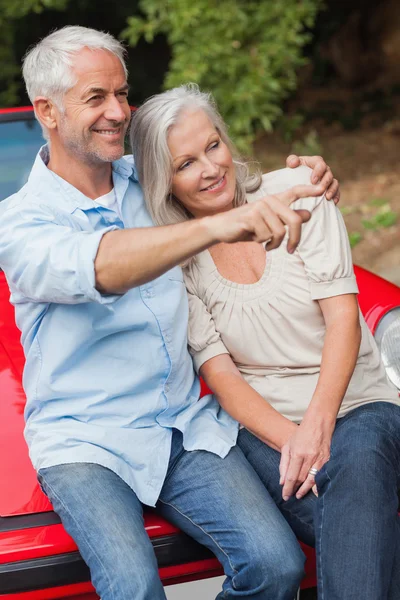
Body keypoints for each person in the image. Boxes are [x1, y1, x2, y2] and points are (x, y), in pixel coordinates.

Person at [0, 26, 342, 600]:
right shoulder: (20, 221)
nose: (119, 112)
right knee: (133, 585)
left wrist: (307, 179)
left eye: (122, 94)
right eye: (96, 98)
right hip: (86, 441)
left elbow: (228, 184)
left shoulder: (150, 179)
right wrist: (216, 226)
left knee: (276, 564)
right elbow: (102, 265)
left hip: (179, 426)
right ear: (47, 111)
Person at [130, 83, 400, 600]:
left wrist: (317, 432)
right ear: (164, 183)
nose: (210, 168)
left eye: (213, 146)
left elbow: (343, 317)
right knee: (359, 526)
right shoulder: (178, 260)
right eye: (185, 163)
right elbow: (224, 378)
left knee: (358, 464)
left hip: (359, 404)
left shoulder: (299, 190)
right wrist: (292, 441)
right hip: (266, 429)